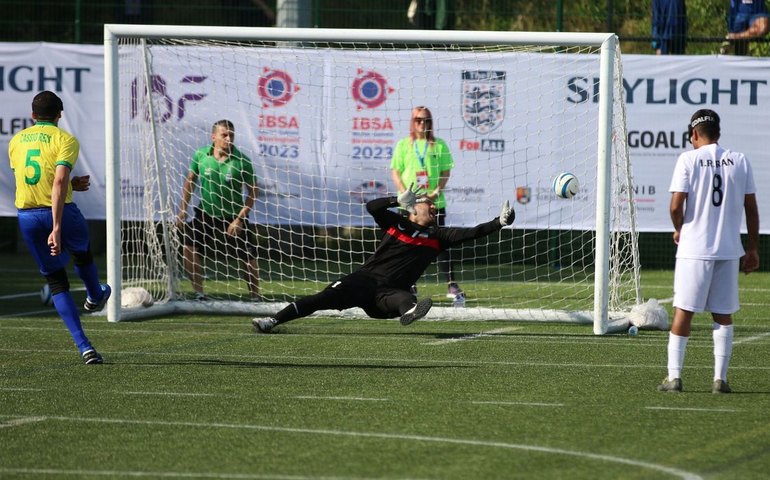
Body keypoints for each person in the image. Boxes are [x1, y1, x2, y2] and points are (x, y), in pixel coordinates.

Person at [252, 186, 515, 333]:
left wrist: (499, 222)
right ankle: (272, 321)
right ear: (413, 209)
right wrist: (395, 200)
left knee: (406, 299)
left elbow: (473, 233)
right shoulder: (396, 223)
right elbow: (372, 207)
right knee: (320, 299)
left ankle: (409, 312)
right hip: (363, 281)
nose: (435, 208)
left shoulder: (439, 236)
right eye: (429, 204)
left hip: (388, 295)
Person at [658, 109, 760, 394]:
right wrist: (752, 248)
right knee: (723, 315)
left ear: (694, 134)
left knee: (683, 312)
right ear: (718, 133)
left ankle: (674, 378)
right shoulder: (740, 160)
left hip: (694, 249)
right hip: (728, 250)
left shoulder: (688, 159)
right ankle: (720, 380)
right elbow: (751, 209)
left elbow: (676, 206)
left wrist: (679, 228)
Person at [8, 91, 111, 365]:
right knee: (82, 253)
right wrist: (56, 226)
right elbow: (57, 181)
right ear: (59, 114)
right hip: (60, 214)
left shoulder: (16, 141)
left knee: (56, 281)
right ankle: (95, 295)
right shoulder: (65, 139)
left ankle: (84, 347)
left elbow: (34, 179)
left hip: (28, 217)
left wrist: (70, 186)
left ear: (33, 115)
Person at [177, 119, 260, 300]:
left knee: (248, 256)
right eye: (225, 135)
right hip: (206, 213)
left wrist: (239, 219)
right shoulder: (201, 155)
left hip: (233, 216)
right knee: (188, 247)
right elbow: (190, 181)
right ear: (214, 137)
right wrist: (183, 209)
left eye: (232, 135)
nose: (229, 139)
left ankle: (255, 296)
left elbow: (254, 192)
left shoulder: (242, 161)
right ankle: (199, 293)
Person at [390, 106, 462, 301]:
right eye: (419, 120)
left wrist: (434, 193)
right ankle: (408, 284)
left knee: (441, 243)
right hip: (409, 205)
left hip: (434, 203)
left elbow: (446, 172)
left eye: (426, 120)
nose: (423, 123)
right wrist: (406, 195)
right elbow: (395, 172)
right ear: (412, 122)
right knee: (407, 245)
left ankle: (452, 285)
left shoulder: (439, 145)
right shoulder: (403, 145)